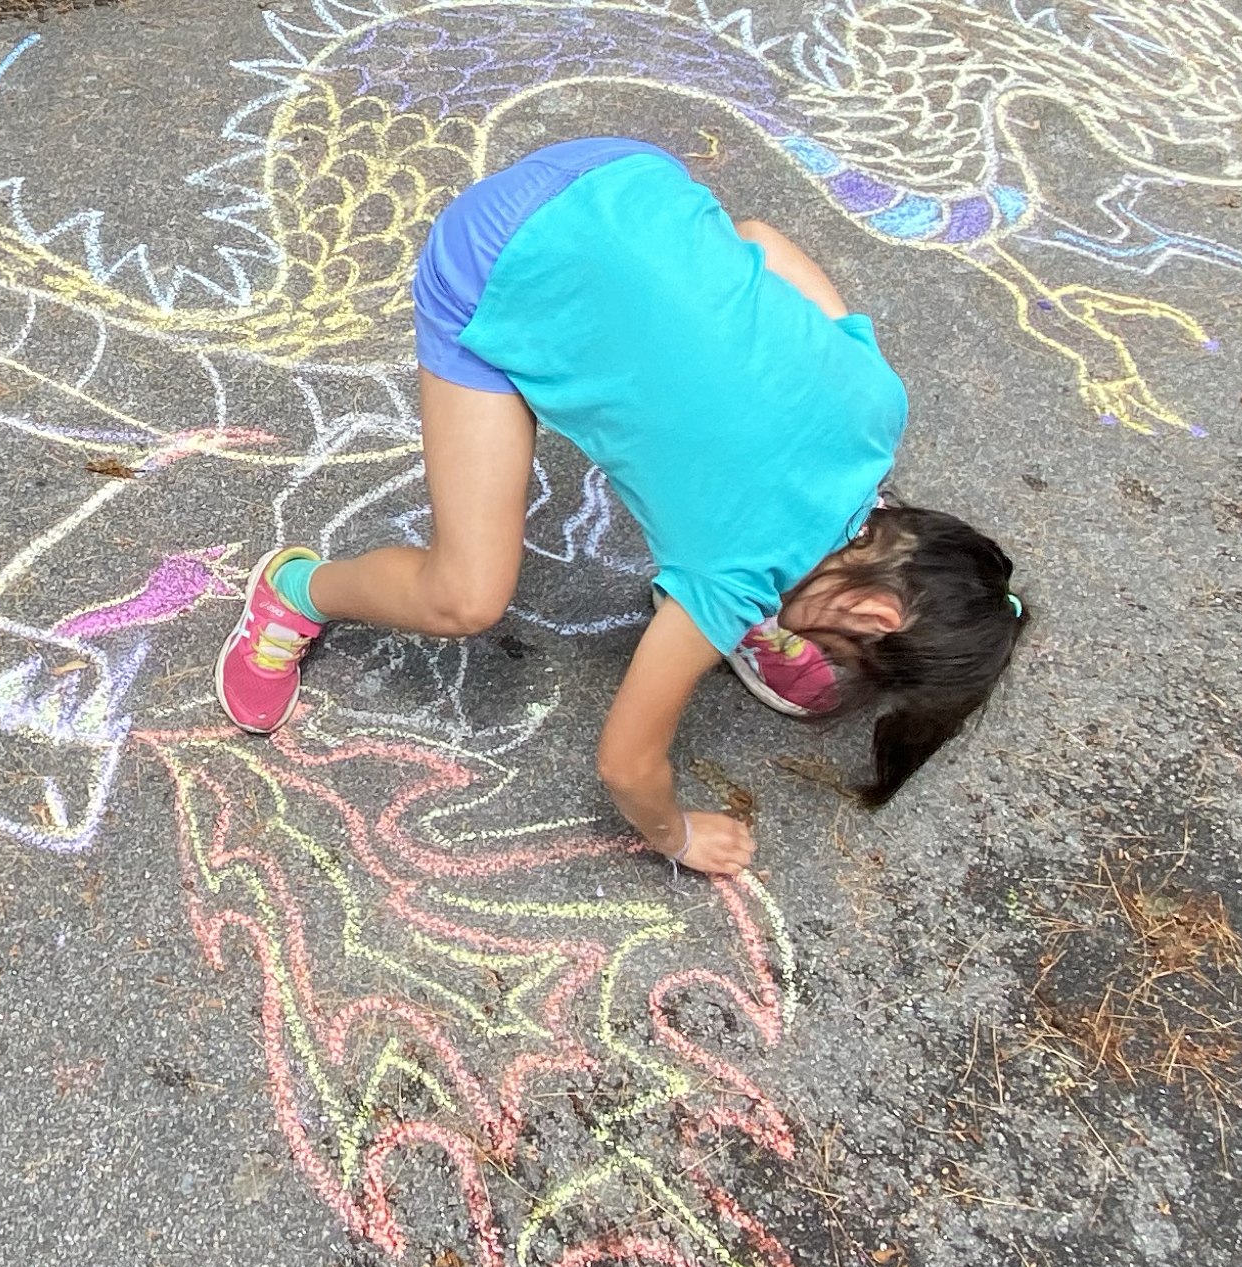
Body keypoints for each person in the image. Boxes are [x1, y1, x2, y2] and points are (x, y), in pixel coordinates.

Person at [215, 137, 1027, 876]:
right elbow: (627, 765)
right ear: (877, 613)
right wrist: (674, 833)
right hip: (487, 260)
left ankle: (767, 587)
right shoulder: (732, 573)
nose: (832, 664)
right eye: (848, 654)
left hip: (622, 175)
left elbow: (760, 241)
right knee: (463, 596)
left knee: (715, 468)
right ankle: (295, 590)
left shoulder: (880, 405)